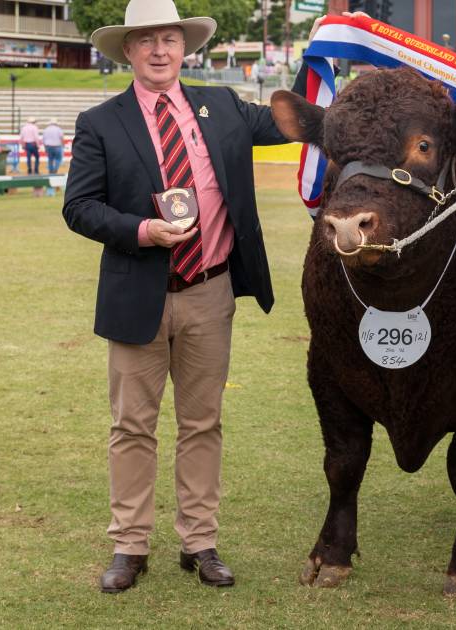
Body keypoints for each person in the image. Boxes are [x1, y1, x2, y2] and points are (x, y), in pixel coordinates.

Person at [62, 0, 291, 594]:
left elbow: (298, 119)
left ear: (183, 47)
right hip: (138, 292)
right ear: (128, 52)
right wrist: (141, 231)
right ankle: (129, 545)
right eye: (146, 40)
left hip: (209, 291)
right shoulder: (101, 122)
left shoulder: (225, 107)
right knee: (132, 426)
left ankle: (200, 541)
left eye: (169, 38)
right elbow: (79, 208)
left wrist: (331, 64)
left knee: (202, 422)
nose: (159, 50)